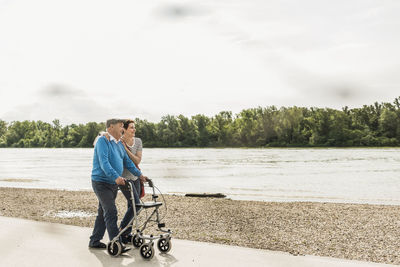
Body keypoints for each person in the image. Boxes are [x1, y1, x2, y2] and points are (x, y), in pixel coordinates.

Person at [88, 118, 148, 253]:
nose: (123, 128)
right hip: (101, 182)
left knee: (103, 211)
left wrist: (140, 175)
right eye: (120, 126)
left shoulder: (119, 144)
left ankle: (94, 241)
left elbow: (128, 162)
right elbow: (104, 163)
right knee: (111, 211)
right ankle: (117, 243)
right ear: (110, 127)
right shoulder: (103, 141)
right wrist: (116, 177)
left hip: (112, 184)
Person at [118, 119, 145, 243]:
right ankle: (122, 229)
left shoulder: (138, 141)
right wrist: (123, 147)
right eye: (131, 128)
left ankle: (126, 234)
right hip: (124, 179)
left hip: (135, 177)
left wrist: (126, 149)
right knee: (136, 205)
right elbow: (125, 162)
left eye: (134, 127)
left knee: (132, 206)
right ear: (124, 129)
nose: (134, 130)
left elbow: (137, 161)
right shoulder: (119, 141)